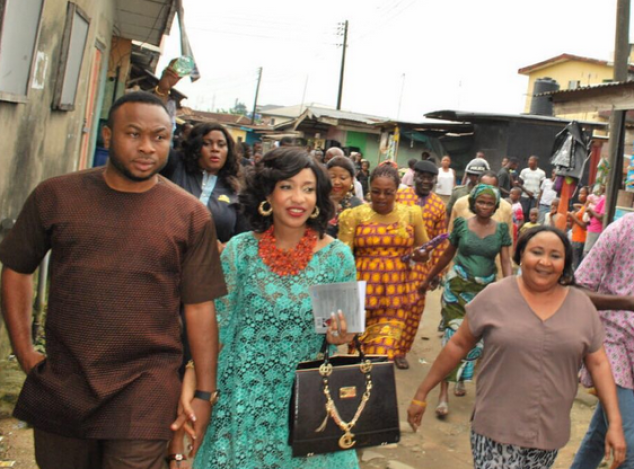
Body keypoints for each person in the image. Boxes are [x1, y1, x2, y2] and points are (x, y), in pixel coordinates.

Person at [0, 92, 226, 469]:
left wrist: (203, 392)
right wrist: (24, 351)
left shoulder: (189, 215)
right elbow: (17, 268)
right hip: (64, 386)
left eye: (159, 137)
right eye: (133, 134)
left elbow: (200, 307)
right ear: (107, 136)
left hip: (146, 392)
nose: (147, 147)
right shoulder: (55, 196)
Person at [174, 147, 360, 469]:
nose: (298, 198)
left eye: (308, 189)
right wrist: (194, 379)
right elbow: (217, 327)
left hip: (306, 405)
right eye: (287, 187)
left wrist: (341, 336)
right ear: (267, 194)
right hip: (240, 402)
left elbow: (347, 336)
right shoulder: (240, 251)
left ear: (318, 199)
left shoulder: (337, 258)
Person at [408, 226, 626, 469]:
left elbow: (599, 363)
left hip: (548, 434)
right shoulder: (494, 296)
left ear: (565, 264)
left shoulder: (582, 307)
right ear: (521, 254)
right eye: (537, 252)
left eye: (555, 256)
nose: (545, 262)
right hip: (495, 430)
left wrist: (615, 423)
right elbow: (458, 345)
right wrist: (422, 393)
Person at [420, 184, 512, 417]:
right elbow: (447, 255)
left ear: (495, 206)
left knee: (476, 340)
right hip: (457, 289)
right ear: (473, 203)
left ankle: (461, 377)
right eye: (481, 202)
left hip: (484, 292)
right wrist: (429, 278)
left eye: (489, 203)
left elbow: (506, 261)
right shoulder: (461, 225)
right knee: (452, 338)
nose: (485, 207)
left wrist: (511, 289)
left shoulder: (501, 230)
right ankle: (443, 394)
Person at [339, 164, 429, 359]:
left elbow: (423, 249)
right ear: (369, 189)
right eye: (376, 192)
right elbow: (343, 259)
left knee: (382, 353)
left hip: (395, 294)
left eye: (388, 193)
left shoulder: (411, 214)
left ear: (397, 191)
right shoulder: (354, 216)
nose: (381, 197)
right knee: (358, 355)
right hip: (361, 294)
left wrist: (419, 255)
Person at [570, 213, 634, 469]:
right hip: (611, 342)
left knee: (601, 434)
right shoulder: (621, 230)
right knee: (629, 448)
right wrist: (627, 303)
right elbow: (577, 290)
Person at [395, 160, 448, 369]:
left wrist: (437, 273)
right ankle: (385, 346)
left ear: (435, 180)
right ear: (414, 176)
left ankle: (401, 351)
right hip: (395, 261)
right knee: (391, 306)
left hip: (421, 266)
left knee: (414, 309)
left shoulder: (439, 206)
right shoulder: (400, 196)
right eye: (422, 177)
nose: (426, 181)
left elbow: (440, 242)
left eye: (430, 178)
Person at [162, 122, 250, 244]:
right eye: (206, 143)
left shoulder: (237, 188)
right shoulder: (176, 167)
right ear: (195, 147)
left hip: (210, 255)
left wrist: (224, 247)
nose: (215, 149)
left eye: (221, 145)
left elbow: (242, 238)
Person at [326, 155, 364, 238]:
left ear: (352, 180)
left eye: (342, 178)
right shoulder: (317, 201)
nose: (336, 182)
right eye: (332, 177)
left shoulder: (357, 206)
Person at [517, 155, 546, 220]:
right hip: (524, 196)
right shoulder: (524, 171)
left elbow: (542, 186)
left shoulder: (541, 173)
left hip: (535, 197)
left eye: (531, 160)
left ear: (536, 162)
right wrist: (527, 192)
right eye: (529, 160)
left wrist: (539, 197)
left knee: (532, 214)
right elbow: (519, 183)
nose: (529, 162)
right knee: (523, 214)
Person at [567, 186, 589, 270]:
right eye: (579, 193)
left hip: (580, 239)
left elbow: (584, 226)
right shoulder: (584, 207)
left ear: (587, 196)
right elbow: (575, 205)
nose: (579, 195)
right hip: (576, 237)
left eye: (582, 194)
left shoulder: (586, 209)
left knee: (576, 263)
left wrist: (572, 216)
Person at [583, 189, 606, 257]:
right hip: (592, 228)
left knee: (588, 253)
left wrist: (590, 210)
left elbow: (601, 217)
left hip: (595, 230)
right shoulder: (602, 198)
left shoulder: (605, 199)